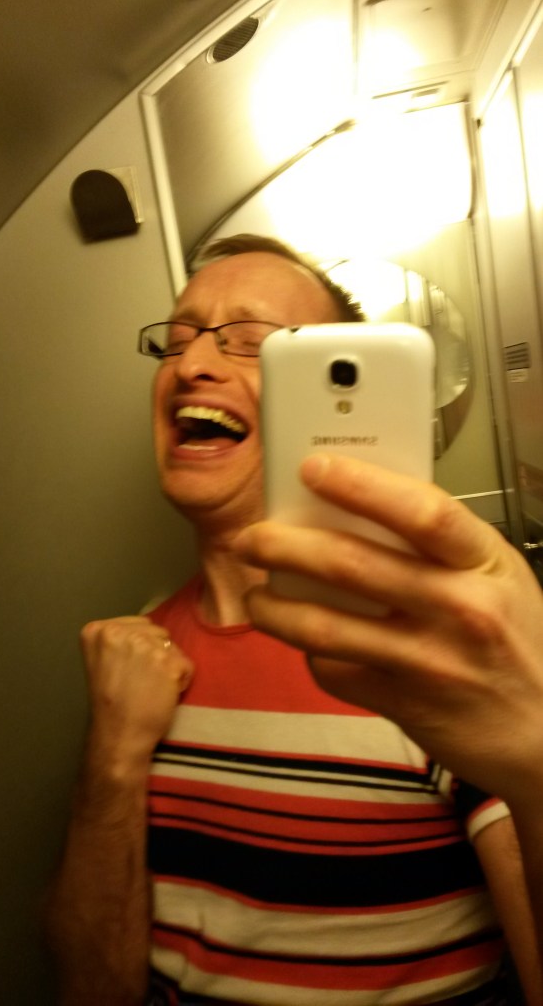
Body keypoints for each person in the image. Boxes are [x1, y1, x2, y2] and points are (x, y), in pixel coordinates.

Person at [46, 234, 543, 1006]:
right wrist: (113, 757)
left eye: (251, 342)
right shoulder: (135, 655)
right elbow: (91, 989)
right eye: (176, 340)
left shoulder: (429, 646)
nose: (192, 364)